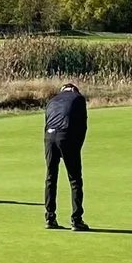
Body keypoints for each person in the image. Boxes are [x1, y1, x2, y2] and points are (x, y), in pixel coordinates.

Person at [43, 79, 89, 231]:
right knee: (75, 179)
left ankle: (50, 218)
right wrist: (76, 148)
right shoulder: (78, 99)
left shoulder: (52, 100)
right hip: (67, 136)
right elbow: (82, 127)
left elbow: (47, 124)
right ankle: (77, 220)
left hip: (49, 137)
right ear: (74, 89)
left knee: (51, 177)